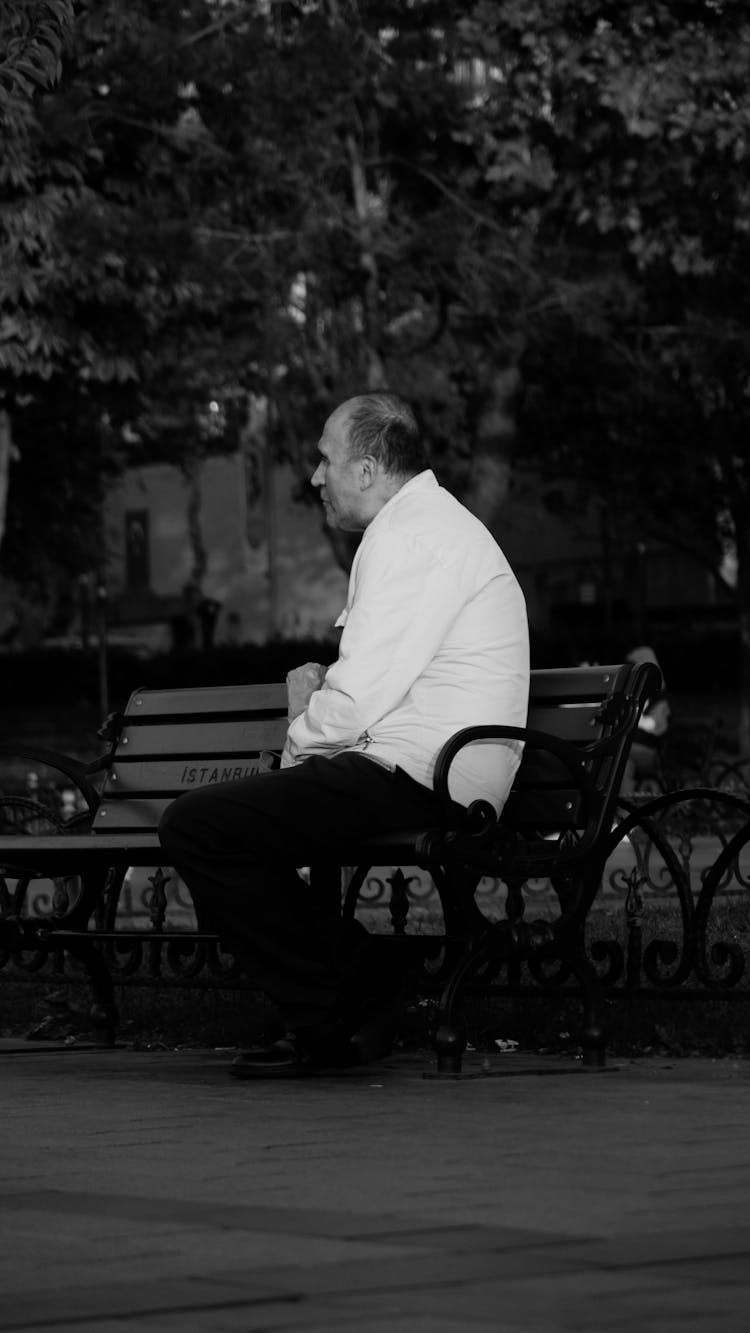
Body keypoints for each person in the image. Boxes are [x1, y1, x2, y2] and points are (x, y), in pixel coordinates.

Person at [158, 391, 530, 1078]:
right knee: (225, 829)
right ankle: (347, 989)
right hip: (416, 767)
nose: (314, 477)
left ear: (366, 469)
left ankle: (343, 994)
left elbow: (354, 698)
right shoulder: (420, 527)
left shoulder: (410, 536)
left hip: (424, 775)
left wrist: (300, 732)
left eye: (327, 460)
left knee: (199, 827)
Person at [620, 644, 670, 795]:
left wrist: (633, 717)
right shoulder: (630, 695)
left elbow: (654, 725)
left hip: (650, 752)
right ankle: (622, 811)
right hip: (630, 748)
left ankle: (623, 811)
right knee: (622, 761)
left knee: (622, 754)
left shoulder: (659, 701)